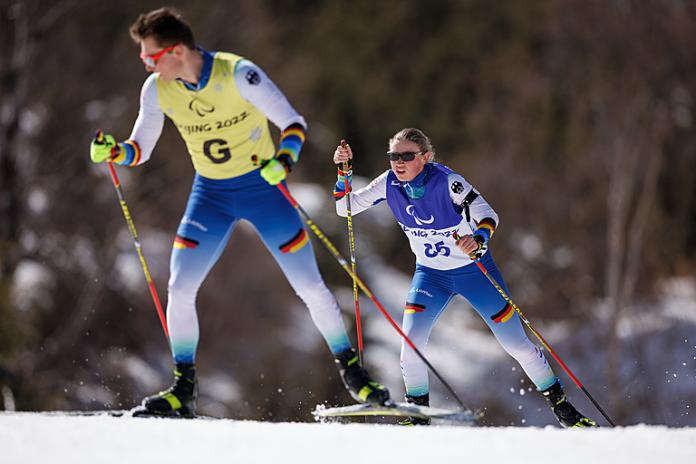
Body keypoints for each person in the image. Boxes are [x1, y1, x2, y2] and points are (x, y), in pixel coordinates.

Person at [89, 7, 390, 417]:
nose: (145, 64)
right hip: (210, 196)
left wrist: (283, 162)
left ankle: (355, 377)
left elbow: (293, 125)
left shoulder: (237, 73)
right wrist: (114, 151)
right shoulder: (158, 89)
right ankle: (184, 389)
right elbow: (140, 148)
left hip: (264, 192)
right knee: (179, 286)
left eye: (150, 56)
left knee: (310, 286)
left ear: (176, 51)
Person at [331, 128, 597, 428]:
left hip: (474, 274)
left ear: (426, 157)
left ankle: (563, 408)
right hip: (430, 277)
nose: (398, 162)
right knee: (410, 346)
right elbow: (345, 208)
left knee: (517, 345)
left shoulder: (447, 182)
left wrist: (479, 239)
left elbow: (488, 215)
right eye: (394, 156)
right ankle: (417, 417)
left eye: (407, 155)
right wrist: (344, 172)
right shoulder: (388, 183)